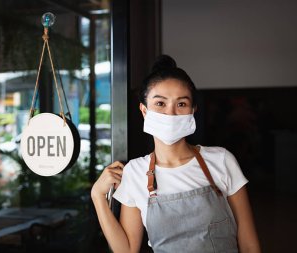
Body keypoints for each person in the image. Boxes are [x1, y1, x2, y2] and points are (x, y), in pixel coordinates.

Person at [91, 55, 261, 253]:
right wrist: (97, 196)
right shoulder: (135, 172)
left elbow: (249, 245)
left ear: (193, 110)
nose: (170, 114)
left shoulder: (221, 160)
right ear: (144, 110)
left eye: (181, 104)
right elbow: (127, 250)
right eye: (160, 104)